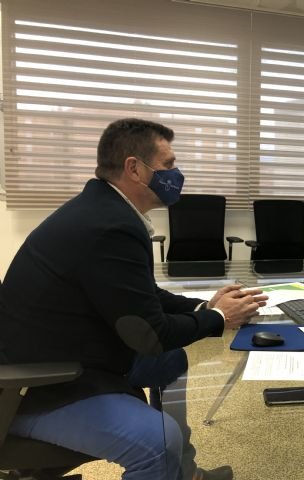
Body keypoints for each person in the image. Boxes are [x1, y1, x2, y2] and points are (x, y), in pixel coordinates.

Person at [0, 118, 267, 480]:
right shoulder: (110, 227)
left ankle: (185, 473)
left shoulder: (104, 210)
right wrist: (219, 318)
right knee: (157, 443)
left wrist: (203, 307)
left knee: (170, 360)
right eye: (168, 164)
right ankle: (166, 464)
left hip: (69, 355)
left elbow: (140, 295)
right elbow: (150, 334)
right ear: (135, 169)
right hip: (35, 388)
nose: (177, 174)